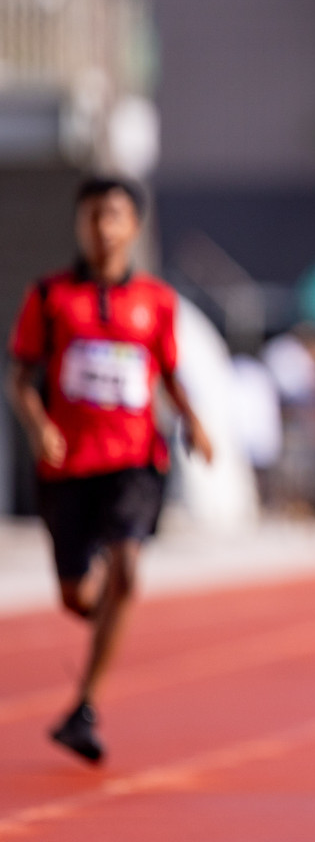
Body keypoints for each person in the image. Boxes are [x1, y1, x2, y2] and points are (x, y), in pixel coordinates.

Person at [6, 175, 214, 764]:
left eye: (114, 217)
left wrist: (195, 421)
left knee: (126, 567)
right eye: (92, 217)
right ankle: (107, 628)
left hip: (134, 459)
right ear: (80, 224)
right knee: (77, 597)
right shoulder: (48, 298)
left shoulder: (157, 301)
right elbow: (19, 375)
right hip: (68, 463)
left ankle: (86, 704)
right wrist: (39, 424)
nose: (102, 229)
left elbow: (170, 372)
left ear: (133, 227)